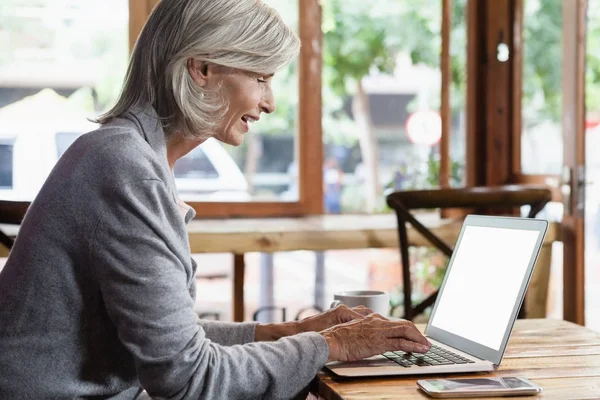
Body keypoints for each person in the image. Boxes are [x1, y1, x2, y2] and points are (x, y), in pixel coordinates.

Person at [0, 1, 430, 399]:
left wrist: (287, 331)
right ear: (202, 68)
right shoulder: (125, 168)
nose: (270, 103)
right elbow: (189, 379)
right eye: (260, 78)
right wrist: (331, 344)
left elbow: (172, 343)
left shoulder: (127, 155)